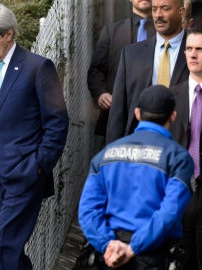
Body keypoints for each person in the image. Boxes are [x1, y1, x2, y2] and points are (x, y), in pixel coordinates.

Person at [0, 3, 69, 270]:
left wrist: (37, 166)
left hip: (23, 175)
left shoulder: (39, 68)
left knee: (6, 247)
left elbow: (57, 123)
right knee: (6, 251)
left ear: (9, 34)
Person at [79, 84, 193, 269]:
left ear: (138, 114)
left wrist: (107, 244)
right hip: (154, 254)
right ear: (173, 115)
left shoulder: (106, 155)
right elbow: (169, 213)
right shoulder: (178, 158)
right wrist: (133, 248)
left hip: (108, 255)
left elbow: (88, 210)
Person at [106, 0, 189, 144]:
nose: (158, 15)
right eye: (154, 9)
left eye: (165, 8)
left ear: (181, 12)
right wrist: (112, 155)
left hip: (185, 145)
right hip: (138, 145)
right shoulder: (131, 54)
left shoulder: (195, 51)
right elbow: (117, 113)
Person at [87, 0, 154, 141]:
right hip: (117, 116)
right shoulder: (112, 32)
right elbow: (96, 70)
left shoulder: (165, 33)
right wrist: (101, 93)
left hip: (154, 115)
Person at [169, 24, 202, 270]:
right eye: (189, 49)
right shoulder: (172, 96)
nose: (193, 54)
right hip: (181, 187)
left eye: (200, 49)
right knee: (182, 258)